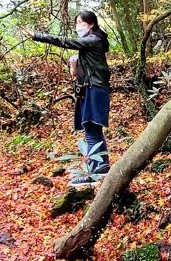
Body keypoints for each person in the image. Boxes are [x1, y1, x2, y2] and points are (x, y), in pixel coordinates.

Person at [24, 10, 111, 188]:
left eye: (81, 22)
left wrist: (37, 36)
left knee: (90, 131)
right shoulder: (95, 42)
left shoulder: (93, 40)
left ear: (91, 24)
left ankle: (92, 174)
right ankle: (102, 169)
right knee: (94, 130)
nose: (78, 26)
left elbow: (66, 42)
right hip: (93, 89)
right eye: (77, 22)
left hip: (94, 90)